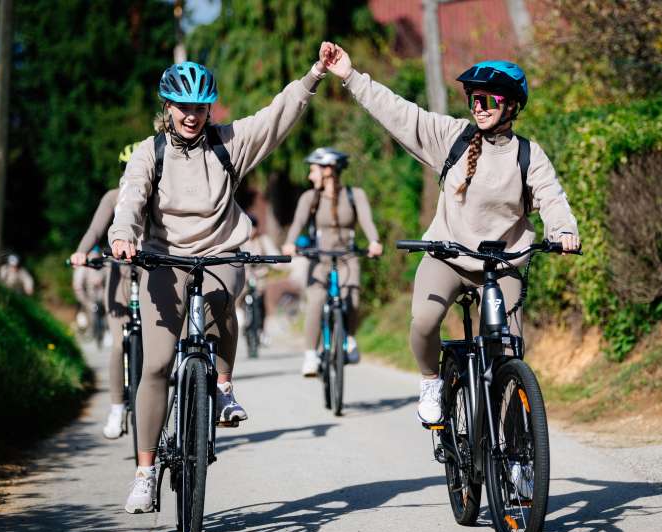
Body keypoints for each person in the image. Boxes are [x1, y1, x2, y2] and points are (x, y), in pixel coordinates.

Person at [109, 51, 329, 513]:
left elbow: (276, 116)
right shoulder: (150, 153)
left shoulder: (229, 143)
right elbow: (130, 200)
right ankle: (145, 473)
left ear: (210, 108)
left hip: (221, 252)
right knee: (155, 365)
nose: (191, 115)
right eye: (182, 106)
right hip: (162, 260)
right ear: (166, 107)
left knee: (226, 296)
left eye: (200, 107)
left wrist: (312, 75)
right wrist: (123, 236)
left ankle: (223, 385)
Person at [320, 44, 580, 423]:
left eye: (488, 99)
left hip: (502, 264)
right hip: (447, 256)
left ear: (511, 106)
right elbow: (400, 114)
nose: (478, 106)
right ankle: (431, 381)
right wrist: (351, 77)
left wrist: (563, 231)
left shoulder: (528, 154)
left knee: (508, 352)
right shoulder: (454, 138)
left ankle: (512, 443)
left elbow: (552, 198)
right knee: (424, 322)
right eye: (474, 98)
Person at [282, 147, 382, 376]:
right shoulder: (310, 197)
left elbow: (366, 220)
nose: (309, 176)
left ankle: (348, 338)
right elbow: (298, 223)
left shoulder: (354, 195)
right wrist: (290, 244)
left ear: (328, 170)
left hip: (347, 257)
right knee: (316, 302)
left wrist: (374, 241)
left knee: (352, 299)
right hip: (319, 259)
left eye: (313, 170)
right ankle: (310, 355)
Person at [70, 143, 141, 440]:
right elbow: (94, 231)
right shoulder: (113, 198)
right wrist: (81, 252)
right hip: (119, 274)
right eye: (127, 170)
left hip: (152, 272)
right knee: (117, 343)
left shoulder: (160, 195)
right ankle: (115, 406)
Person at [237, 213, 280, 343]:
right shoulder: (239, 240)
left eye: (254, 227)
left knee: (262, 300)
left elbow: (273, 252)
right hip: (243, 275)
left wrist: (279, 261)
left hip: (260, 275)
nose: (252, 231)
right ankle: (239, 312)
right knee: (238, 294)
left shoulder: (263, 239)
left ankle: (261, 329)